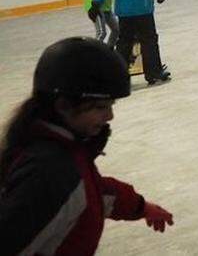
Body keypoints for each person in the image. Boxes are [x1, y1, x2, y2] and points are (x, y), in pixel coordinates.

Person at [0, 37, 174, 254]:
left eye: (111, 105)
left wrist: (141, 207)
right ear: (63, 105)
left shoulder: (64, 152)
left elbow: (94, 191)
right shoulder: (49, 173)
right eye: (100, 107)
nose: (110, 115)